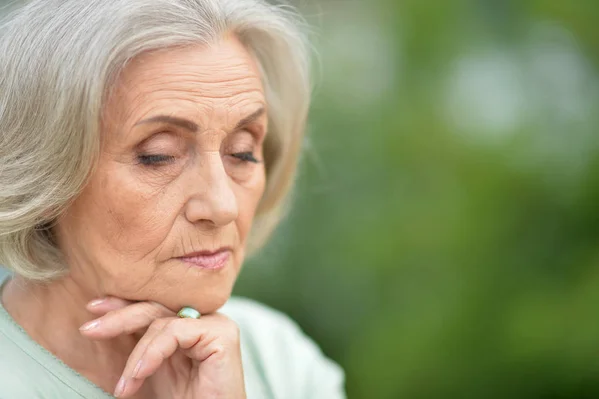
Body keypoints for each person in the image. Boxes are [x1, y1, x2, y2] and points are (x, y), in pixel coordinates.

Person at [0, 0, 345, 398]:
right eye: (159, 156)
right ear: (40, 172)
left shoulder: (280, 360)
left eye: (242, 152)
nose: (222, 206)